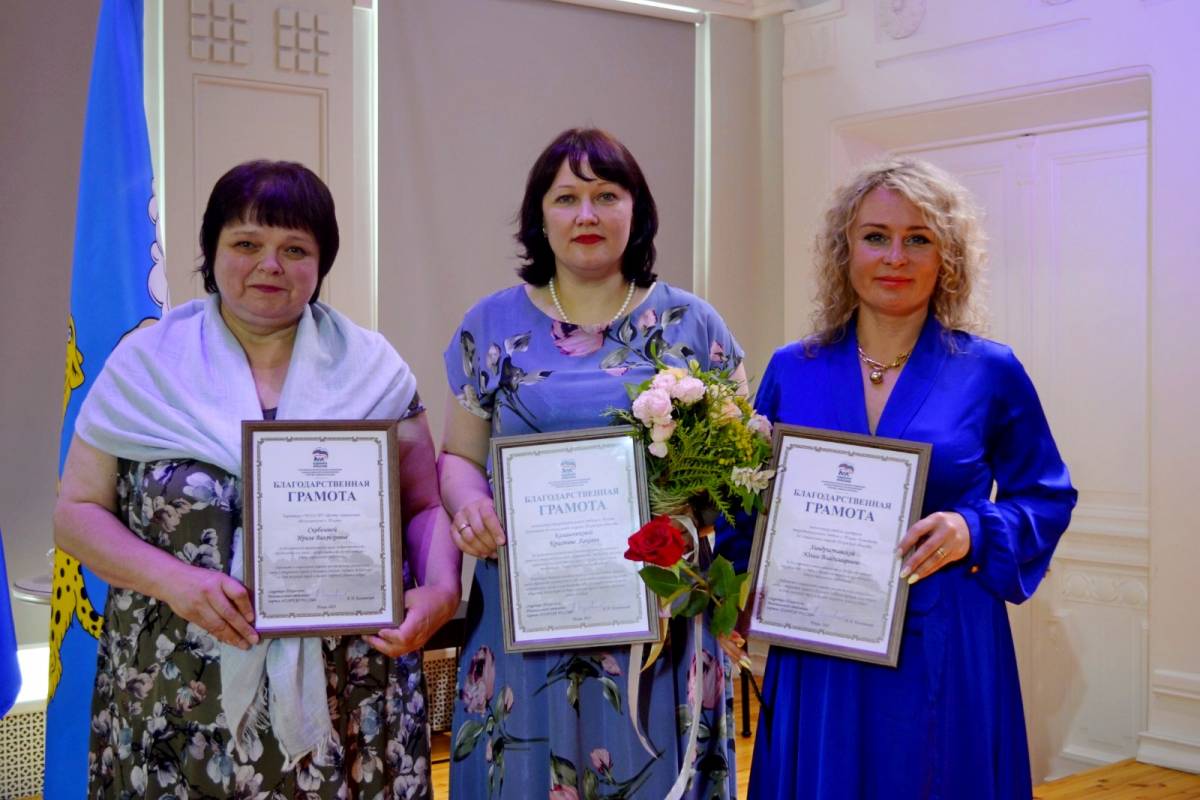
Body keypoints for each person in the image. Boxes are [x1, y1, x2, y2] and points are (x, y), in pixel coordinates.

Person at [54, 160, 461, 798]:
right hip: (176, 689)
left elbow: (423, 507)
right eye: (246, 243)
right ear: (211, 251)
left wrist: (441, 590)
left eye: (295, 249)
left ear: (321, 263)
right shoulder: (144, 367)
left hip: (351, 694)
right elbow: (76, 512)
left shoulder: (374, 371)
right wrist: (176, 582)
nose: (270, 264)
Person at [734, 157, 1076, 799]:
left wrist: (973, 528)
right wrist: (733, 596)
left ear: (947, 257)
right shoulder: (792, 369)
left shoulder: (989, 371)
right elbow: (747, 500)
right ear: (845, 250)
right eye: (876, 236)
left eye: (918, 238)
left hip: (945, 634)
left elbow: (1045, 496)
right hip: (820, 642)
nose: (895, 257)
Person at [439, 128, 745, 798]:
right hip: (526, 607)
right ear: (539, 215)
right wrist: (469, 505)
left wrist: (690, 506)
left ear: (637, 211)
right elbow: (459, 457)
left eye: (607, 195)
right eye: (566, 197)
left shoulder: (693, 325)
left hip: (659, 614)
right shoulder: (488, 328)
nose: (586, 214)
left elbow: (738, 466)